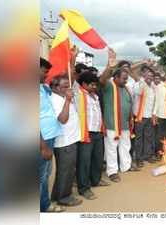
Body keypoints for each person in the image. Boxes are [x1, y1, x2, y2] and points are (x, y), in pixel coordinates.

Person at [99, 49, 134, 182]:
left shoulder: (126, 89)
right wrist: (110, 65)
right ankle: (112, 171)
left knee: (126, 146)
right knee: (112, 148)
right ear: (116, 77)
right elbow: (102, 79)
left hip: (125, 124)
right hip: (112, 124)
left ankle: (126, 166)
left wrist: (131, 119)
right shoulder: (109, 86)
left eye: (127, 79)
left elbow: (129, 104)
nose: (126, 81)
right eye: (124, 79)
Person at [74, 71, 110, 201]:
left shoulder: (95, 96)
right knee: (84, 162)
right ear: (83, 84)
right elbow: (72, 79)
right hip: (86, 133)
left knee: (98, 159)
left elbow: (98, 113)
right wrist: (72, 59)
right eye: (92, 85)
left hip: (98, 132)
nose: (95, 87)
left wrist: (102, 127)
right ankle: (84, 188)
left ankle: (96, 180)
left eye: (95, 85)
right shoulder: (78, 94)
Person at [50, 75, 82, 207]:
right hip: (65, 141)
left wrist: (68, 99)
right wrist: (68, 101)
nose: (67, 89)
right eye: (64, 87)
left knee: (66, 170)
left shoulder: (62, 97)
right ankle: (64, 197)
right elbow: (62, 119)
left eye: (68, 86)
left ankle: (58, 194)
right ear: (55, 88)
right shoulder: (56, 100)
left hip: (71, 139)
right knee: (66, 171)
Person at [39, 58, 65, 213]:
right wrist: (42, 146)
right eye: (45, 71)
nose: (46, 75)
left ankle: (44, 204)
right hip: (42, 141)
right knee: (41, 176)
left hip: (49, 137)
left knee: (46, 174)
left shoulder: (43, 88)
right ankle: (44, 207)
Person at [132, 66, 156, 169]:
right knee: (139, 139)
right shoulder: (139, 85)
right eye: (148, 75)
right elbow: (138, 92)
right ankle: (138, 158)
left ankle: (147, 156)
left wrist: (153, 115)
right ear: (144, 76)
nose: (149, 77)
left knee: (148, 138)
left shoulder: (153, 87)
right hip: (139, 116)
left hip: (149, 116)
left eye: (151, 75)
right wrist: (142, 80)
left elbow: (154, 102)